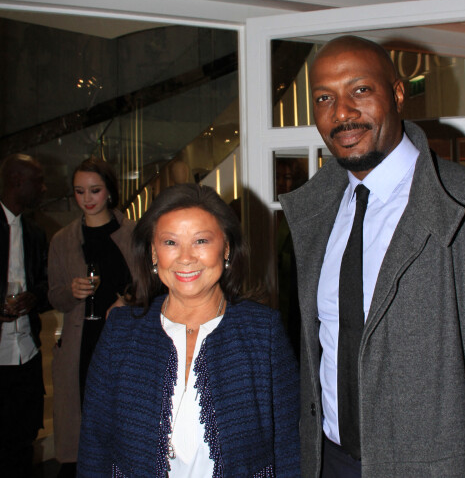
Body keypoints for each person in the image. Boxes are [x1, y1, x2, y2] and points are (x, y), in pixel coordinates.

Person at [278, 35, 465, 477]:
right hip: (327, 464)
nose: (342, 112)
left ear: (398, 93)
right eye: (324, 97)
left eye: (360, 90)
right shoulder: (315, 213)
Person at [77, 183, 300, 477]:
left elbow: (289, 445)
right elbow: (94, 443)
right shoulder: (121, 331)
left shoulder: (263, 332)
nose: (185, 258)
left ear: (227, 247)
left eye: (201, 241)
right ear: (153, 253)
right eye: (170, 242)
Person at [48, 157, 137, 477]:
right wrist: (71, 291)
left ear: (109, 192)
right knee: (82, 428)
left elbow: (152, 287)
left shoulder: (133, 233)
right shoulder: (62, 239)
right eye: (79, 191)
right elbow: (54, 296)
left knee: (124, 422)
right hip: (80, 344)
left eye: (95, 190)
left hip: (126, 342)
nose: (87, 199)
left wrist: (128, 300)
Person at [0, 153, 49, 478]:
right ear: (17, 182)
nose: (44, 189)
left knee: (24, 440)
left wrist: (36, 296)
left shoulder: (35, 232)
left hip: (27, 355)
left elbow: (46, 285)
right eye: (38, 182)